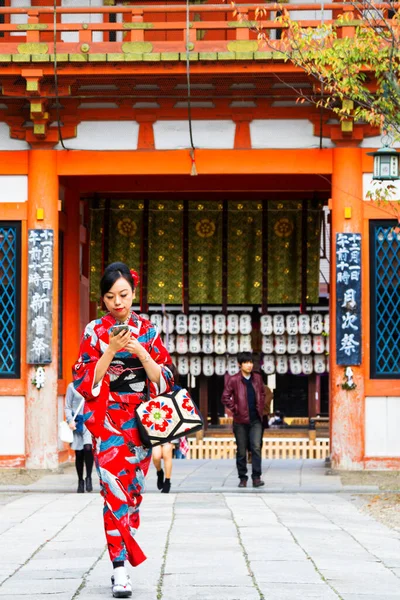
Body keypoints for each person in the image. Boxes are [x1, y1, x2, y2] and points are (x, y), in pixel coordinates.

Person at [73, 262, 173, 599]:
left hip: (142, 423)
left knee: (132, 494)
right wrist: (111, 351)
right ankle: (119, 569)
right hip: (109, 420)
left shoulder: (148, 329)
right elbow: (84, 381)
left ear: (133, 293)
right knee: (113, 493)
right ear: (102, 300)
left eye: (124, 295)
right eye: (110, 296)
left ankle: (124, 541)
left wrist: (142, 353)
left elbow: (166, 378)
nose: (118, 302)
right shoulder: (93, 331)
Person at [221, 352, 265, 488]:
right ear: (240, 364)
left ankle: (256, 477)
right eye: (246, 362)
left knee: (256, 447)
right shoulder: (234, 380)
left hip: (256, 419)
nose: (249, 365)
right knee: (241, 450)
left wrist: (261, 407)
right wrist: (235, 409)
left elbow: (263, 393)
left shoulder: (257, 378)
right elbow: (225, 397)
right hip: (240, 420)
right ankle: (243, 477)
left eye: (251, 362)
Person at [152, 363, 188, 492]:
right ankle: (159, 471)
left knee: (167, 454)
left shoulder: (177, 389)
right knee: (156, 455)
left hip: (172, 425)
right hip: (155, 426)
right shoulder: (153, 388)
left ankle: (167, 481)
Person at [65, 382, 94, 493]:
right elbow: (67, 406)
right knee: (79, 453)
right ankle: (80, 480)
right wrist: (70, 420)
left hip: (89, 420)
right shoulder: (72, 386)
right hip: (77, 422)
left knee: (88, 448)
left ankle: (89, 477)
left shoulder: (92, 384)